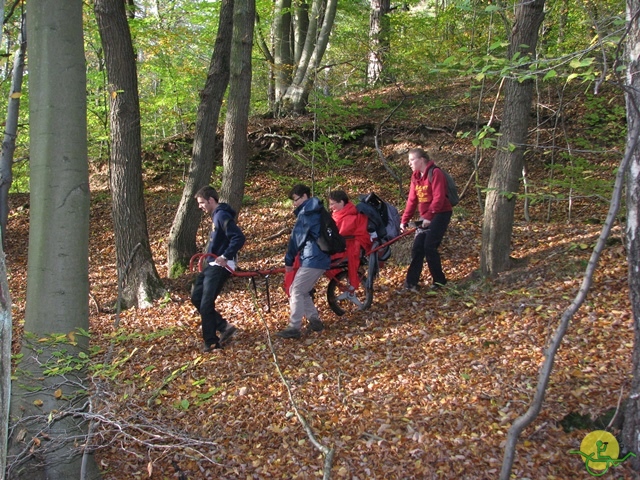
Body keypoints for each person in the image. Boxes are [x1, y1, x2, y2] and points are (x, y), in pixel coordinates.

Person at [191, 186, 246, 352]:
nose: (200, 206)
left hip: (221, 265)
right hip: (212, 263)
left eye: (202, 203)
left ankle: (211, 342)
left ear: (211, 200)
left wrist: (225, 256)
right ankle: (223, 326)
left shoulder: (221, 215)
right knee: (196, 297)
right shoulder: (217, 216)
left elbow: (238, 237)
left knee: (206, 303)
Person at [276, 184, 331, 339]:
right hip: (319, 257)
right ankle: (314, 320)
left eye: (296, 200)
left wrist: (288, 260)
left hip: (314, 258)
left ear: (305, 196)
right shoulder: (317, 209)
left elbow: (296, 240)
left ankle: (294, 327)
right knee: (301, 289)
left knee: (296, 291)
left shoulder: (307, 213)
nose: (294, 204)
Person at [400, 148, 453, 291]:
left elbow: (439, 198)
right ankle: (411, 283)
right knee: (418, 247)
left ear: (422, 159)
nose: (409, 163)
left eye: (412, 160)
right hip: (426, 216)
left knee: (429, 246)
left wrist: (429, 217)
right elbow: (412, 200)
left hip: (441, 213)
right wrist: (404, 220)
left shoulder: (435, 173)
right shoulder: (415, 177)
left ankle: (439, 281)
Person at [328, 190, 372, 289]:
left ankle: (343, 284)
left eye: (332, 204)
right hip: (341, 247)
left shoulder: (349, 217)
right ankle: (340, 283)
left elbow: (340, 234)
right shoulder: (338, 215)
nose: (330, 207)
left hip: (348, 249)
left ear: (341, 202)